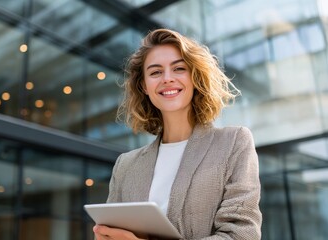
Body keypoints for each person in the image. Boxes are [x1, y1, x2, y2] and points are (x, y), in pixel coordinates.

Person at [92, 28, 262, 240]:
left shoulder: (234, 142)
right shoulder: (125, 166)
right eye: (155, 72)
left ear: (194, 77)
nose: (167, 79)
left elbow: (241, 235)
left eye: (179, 68)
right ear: (144, 86)